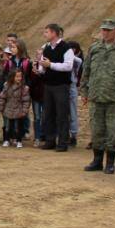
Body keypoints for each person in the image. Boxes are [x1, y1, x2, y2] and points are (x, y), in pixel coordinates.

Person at [80, 19, 115, 174]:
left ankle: (110, 162)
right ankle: (97, 160)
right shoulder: (95, 48)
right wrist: (84, 92)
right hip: (97, 96)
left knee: (113, 132)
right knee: (97, 130)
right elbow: (86, 71)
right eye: (103, 30)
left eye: (108, 30)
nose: (105, 33)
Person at [35, 24, 74, 152]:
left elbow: (68, 66)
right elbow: (44, 67)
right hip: (48, 85)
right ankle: (50, 140)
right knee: (48, 114)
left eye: (46, 32)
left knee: (62, 114)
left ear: (54, 33)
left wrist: (50, 65)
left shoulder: (66, 48)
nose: (44, 34)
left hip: (61, 85)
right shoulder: (46, 48)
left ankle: (63, 143)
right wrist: (39, 69)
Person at [0, 69, 31, 148]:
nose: (19, 78)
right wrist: (1, 108)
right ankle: (6, 140)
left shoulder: (24, 88)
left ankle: (18, 140)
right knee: (7, 126)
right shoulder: (6, 86)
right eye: (17, 76)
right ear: (12, 77)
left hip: (18, 109)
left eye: (20, 76)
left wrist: (24, 111)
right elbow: (3, 97)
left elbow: (26, 101)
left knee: (18, 126)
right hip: (8, 109)